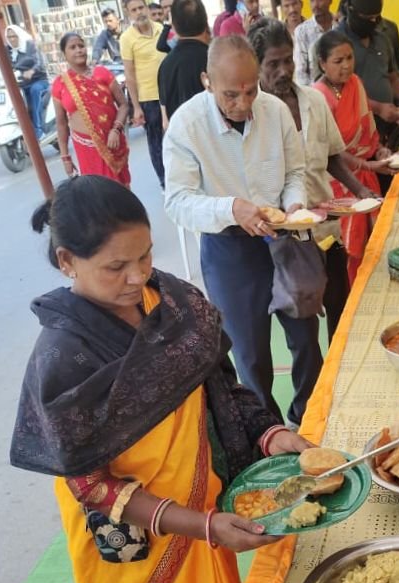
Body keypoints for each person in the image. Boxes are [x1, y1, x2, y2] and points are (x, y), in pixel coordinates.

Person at [11, 175, 312, 583]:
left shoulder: (173, 301)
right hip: (144, 542)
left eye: (146, 256)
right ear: (68, 262)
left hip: (205, 511)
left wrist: (269, 436)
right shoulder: (62, 357)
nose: (138, 277)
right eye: (116, 266)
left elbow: (219, 388)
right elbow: (89, 486)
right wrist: (201, 525)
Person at [163, 36, 322, 428]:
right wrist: (230, 208)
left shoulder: (274, 111)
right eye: (231, 94)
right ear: (207, 81)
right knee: (250, 355)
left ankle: (310, 418)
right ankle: (267, 435)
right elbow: (177, 201)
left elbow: (295, 172)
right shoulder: (187, 124)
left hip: (284, 239)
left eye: (251, 90)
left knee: (305, 339)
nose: (244, 103)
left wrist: (294, 205)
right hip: (228, 250)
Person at [248, 19, 376, 339]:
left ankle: (338, 376)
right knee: (303, 328)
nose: (282, 70)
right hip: (284, 237)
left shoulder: (313, 101)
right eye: (272, 64)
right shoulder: (254, 114)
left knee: (340, 307)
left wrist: (360, 190)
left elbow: (332, 155)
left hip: (326, 225)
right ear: (257, 66)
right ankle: (315, 384)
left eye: (287, 60)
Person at [313, 31, 395, 284]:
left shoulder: (355, 83)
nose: (346, 65)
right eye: (338, 61)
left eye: (349, 58)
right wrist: (366, 164)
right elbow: (331, 152)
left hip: (365, 176)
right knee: (348, 252)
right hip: (338, 183)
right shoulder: (317, 97)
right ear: (322, 63)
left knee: (374, 245)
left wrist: (379, 149)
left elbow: (367, 127)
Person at [336, 0, 399, 157]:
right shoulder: (335, 43)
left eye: (376, 18)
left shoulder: (382, 39)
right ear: (350, 10)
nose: (373, 23)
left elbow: (392, 78)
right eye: (367, 18)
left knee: (389, 176)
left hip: (386, 129)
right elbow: (338, 93)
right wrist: (378, 108)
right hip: (355, 133)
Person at [52, 33, 131, 185]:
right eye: (72, 47)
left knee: (120, 193)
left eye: (81, 46)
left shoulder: (102, 73)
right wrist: (65, 157)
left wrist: (116, 129)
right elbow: (61, 124)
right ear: (64, 54)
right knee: (97, 193)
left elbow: (123, 105)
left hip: (112, 143)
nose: (79, 50)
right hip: (86, 149)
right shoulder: (60, 84)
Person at [120, 0, 166, 189]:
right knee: (156, 143)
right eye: (134, 10)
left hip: (168, 94)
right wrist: (137, 107)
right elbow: (129, 75)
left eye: (141, 8)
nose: (139, 12)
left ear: (147, 8)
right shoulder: (126, 38)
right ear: (128, 13)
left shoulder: (161, 29)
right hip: (148, 99)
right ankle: (165, 182)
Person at [157, 0, 210, 127]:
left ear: (173, 26)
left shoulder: (165, 65)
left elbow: (166, 121)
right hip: (216, 140)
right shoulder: (215, 58)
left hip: (182, 140)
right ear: (205, 21)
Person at [5, 26, 50, 140]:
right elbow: (1, 65)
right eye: (9, 37)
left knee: (35, 90)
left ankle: (39, 129)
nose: (12, 39)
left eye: (14, 36)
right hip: (20, 84)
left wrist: (32, 71)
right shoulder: (7, 50)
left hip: (38, 80)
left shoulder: (30, 45)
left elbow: (40, 62)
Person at [293, 0, 335, 86]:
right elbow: (301, 72)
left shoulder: (340, 26)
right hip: (316, 92)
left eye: (320, 0)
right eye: (312, 1)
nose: (315, 5)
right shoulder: (302, 31)